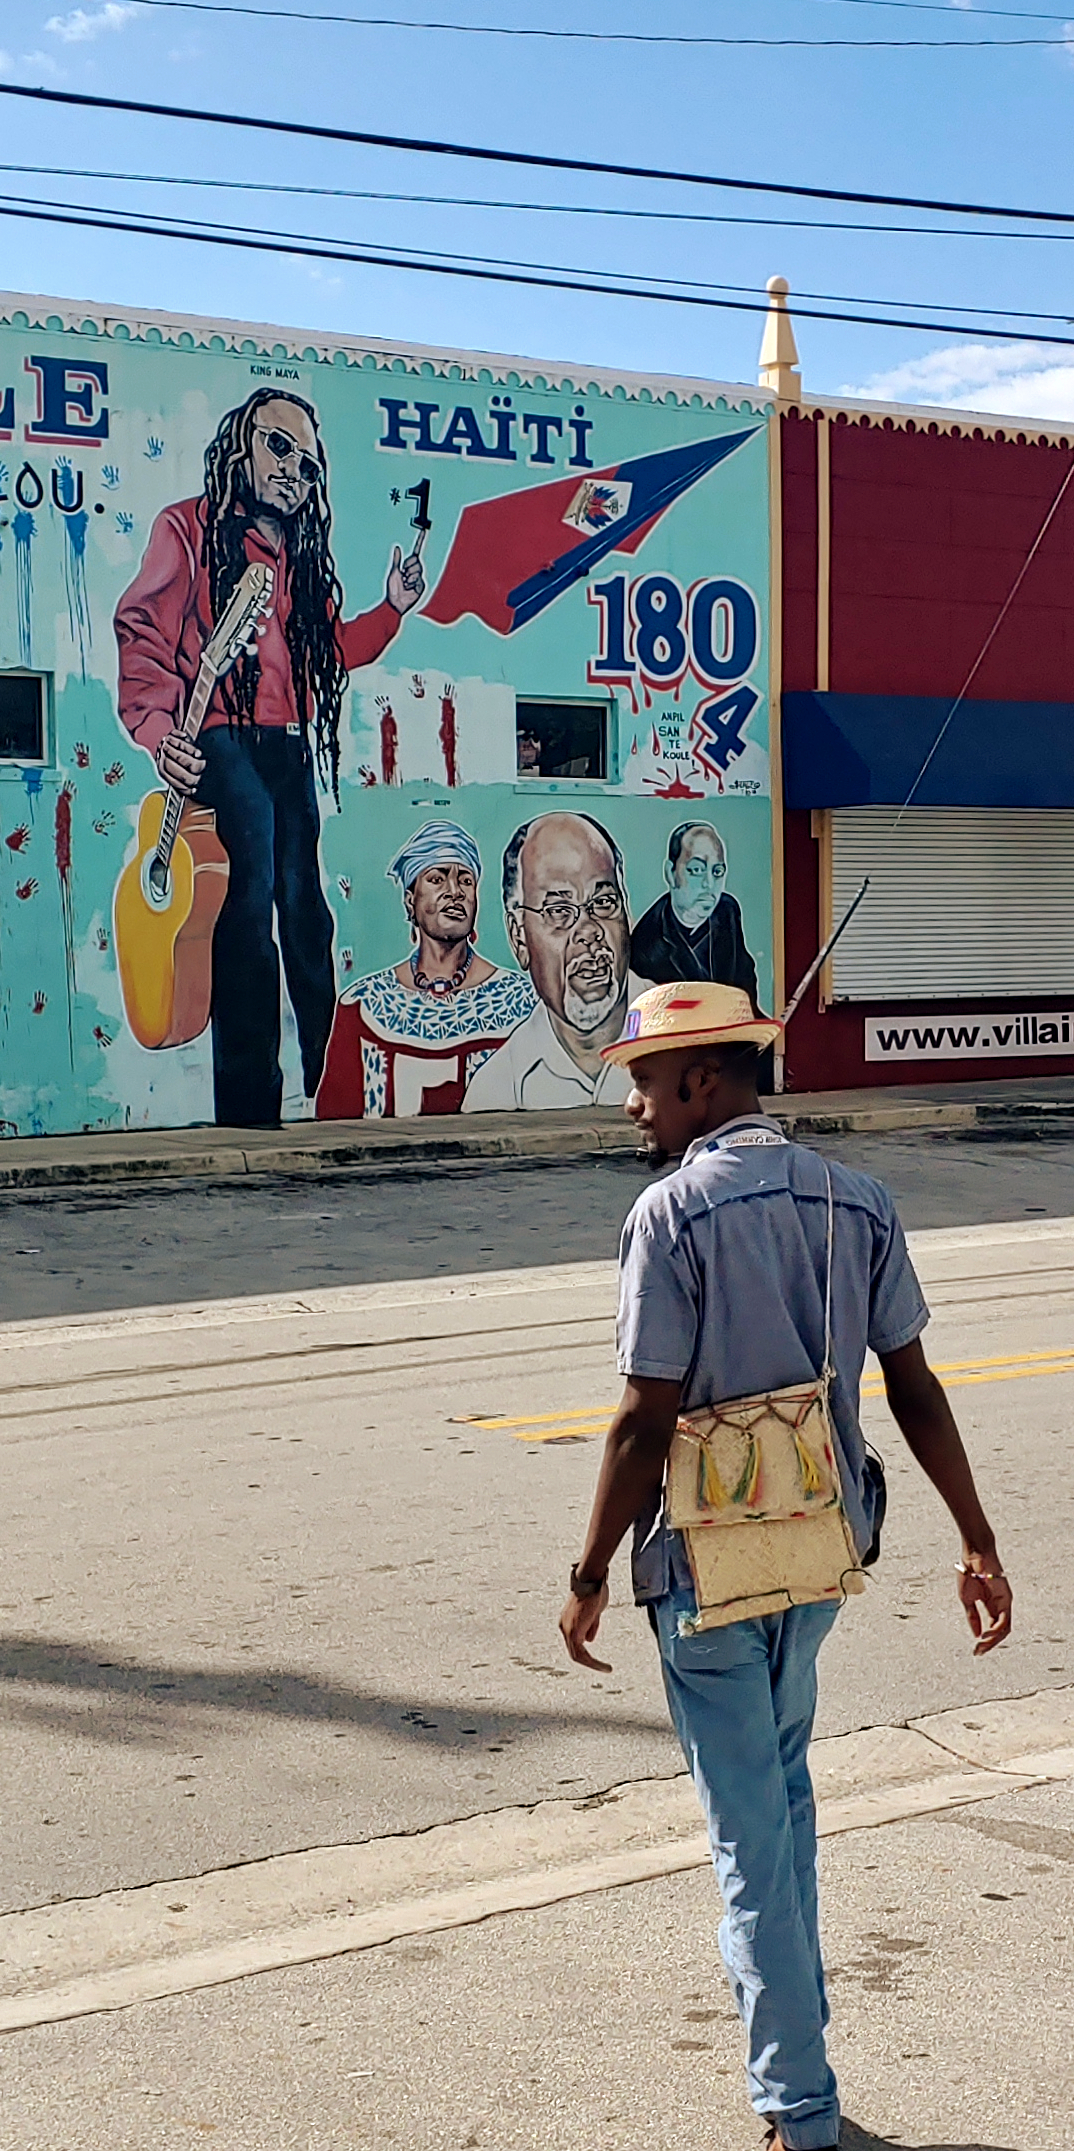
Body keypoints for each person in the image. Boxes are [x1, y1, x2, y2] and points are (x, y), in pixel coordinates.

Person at [558, 981, 1012, 2151]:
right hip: (817, 1548)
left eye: (646, 1082)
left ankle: (798, 2111)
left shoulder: (669, 1217)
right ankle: (802, 2055)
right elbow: (912, 1387)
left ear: (703, 1082)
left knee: (749, 1838)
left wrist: (590, 1567)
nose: (634, 1108)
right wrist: (976, 1536)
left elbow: (641, 1422)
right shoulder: (855, 1201)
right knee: (786, 1800)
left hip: (706, 1568)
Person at [115, 388, 425, 1126]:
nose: (293, 470)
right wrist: (163, 734)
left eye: (308, 464)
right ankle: (249, 1104)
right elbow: (143, 633)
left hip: (284, 743)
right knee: (244, 899)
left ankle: (330, 1089)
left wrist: (391, 608)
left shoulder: (297, 558)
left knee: (306, 911)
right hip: (216, 732)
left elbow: (328, 654)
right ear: (240, 445)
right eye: (278, 447)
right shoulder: (187, 531)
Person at [315, 819, 533, 1118]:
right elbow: (335, 1121)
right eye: (437, 879)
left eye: (466, 880)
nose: (454, 891)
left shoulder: (520, 1003)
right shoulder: (362, 1006)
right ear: (410, 901)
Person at [461, 810, 645, 1112]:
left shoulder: (682, 1050)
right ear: (520, 938)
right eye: (559, 911)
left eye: (603, 903)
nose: (589, 931)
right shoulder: (499, 1090)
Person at [629, 820, 759, 999]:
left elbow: (745, 986)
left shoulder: (726, 911)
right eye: (697, 870)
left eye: (717, 872)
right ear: (670, 874)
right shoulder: (647, 945)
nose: (709, 884)